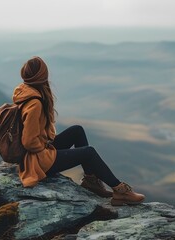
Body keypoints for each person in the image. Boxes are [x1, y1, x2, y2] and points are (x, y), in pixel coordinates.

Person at [12, 56, 145, 206]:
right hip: (37, 161)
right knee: (88, 153)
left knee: (77, 131)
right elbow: (29, 141)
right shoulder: (35, 103)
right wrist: (46, 148)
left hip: (38, 153)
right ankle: (121, 191)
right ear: (43, 76)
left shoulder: (26, 92)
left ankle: (91, 182)